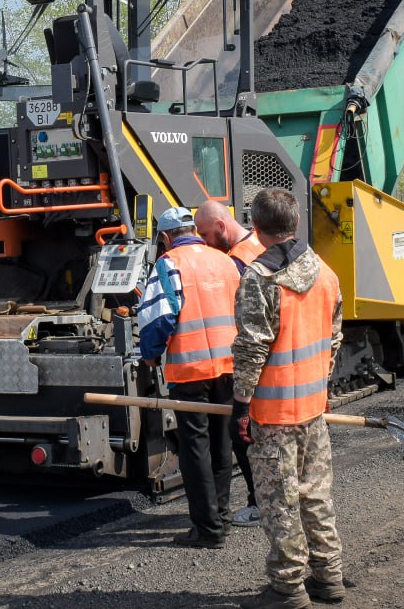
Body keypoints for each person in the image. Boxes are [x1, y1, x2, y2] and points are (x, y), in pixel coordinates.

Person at [230, 188, 345, 609]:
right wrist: (324, 387)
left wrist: (241, 405)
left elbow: (251, 347)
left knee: (280, 501)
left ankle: (287, 588)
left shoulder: (260, 279)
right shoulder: (325, 272)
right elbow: (334, 340)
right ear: (295, 223)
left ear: (256, 228)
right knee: (316, 495)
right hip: (313, 409)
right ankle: (328, 578)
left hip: (273, 414)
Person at [137, 206, 242, 549]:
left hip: (191, 373)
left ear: (166, 238)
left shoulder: (169, 264)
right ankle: (223, 518)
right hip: (228, 369)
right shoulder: (225, 261)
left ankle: (207, 529)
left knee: (195, 449)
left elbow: (159, 317)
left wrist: (151, 354)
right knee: (221, 445)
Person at [194, 200, 263, 528]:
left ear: (221, 227)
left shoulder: (236, 260)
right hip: (265, 358)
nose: (205, 242)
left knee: (245, 436)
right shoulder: (259, 243)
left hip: (248, 360)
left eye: (206, 234)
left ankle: (259, 502)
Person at [196, 198, 267, 271]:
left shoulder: (236, 262)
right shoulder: (263, 238)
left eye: (204, 235)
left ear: (221, 226)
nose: (204, 242)